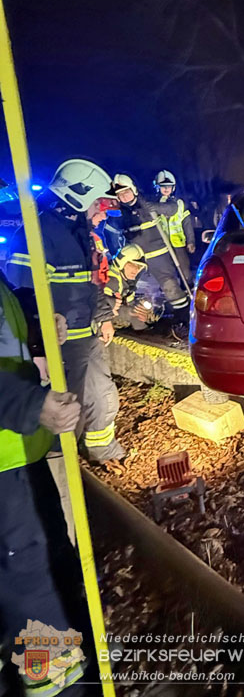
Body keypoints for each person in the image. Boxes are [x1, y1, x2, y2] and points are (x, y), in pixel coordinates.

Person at [0, 270, 99, 696]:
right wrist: (29, 404)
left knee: (51, 568)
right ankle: (59, 686)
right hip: (6, 467)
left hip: (19, 453)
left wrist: (33, 316)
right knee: (30, 588)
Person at [7, 159, 124, 463]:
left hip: (87, 337)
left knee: (102, 397)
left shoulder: (79, 233)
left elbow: (92, 283)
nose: (101, 210)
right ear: (77, 196)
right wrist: (37, 348)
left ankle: (102, 452)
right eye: (97, 202)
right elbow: (22, 295)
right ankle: (65, 465)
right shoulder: (38, 234)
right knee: (70, 408)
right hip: (63, 343)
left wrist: (104, 317)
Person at [108, 174, 190, 329]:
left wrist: (155, 208)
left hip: (157, 254)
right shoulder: (121, 212)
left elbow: (173, 208)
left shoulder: (147, 202)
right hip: (137, 258)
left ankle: (183, 319)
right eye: (120, 194)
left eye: (126, 192)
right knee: (134, 289)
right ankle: (142, 321)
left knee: (170, 287)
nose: (123, 196)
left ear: (134, 190)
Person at [100, 243, 157, 330]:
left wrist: (143, 311)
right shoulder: (112, 280)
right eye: (132, 265)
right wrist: (131, 312)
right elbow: (102, 307)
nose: (136, 270)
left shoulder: (128, 282)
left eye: (139, 267)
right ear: (122, 262)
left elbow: (130, 303)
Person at [153, 170, 195, 284]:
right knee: (166, 272)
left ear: (173, 187)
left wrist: (190, 241)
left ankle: (188, 290)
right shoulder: (153, 204)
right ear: (157, 187)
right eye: (163, 186)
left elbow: (187, 224)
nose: (166, 189)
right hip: (161, 245)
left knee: (184, 271)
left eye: (169, 186)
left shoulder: (180, 204)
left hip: (178, 244)